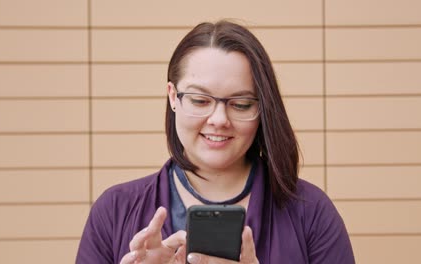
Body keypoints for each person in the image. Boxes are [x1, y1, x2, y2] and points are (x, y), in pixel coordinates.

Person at [76, 20, 355, 264]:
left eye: (242, 104)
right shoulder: (114, 211)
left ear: (263, 109)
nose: (219, 119)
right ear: (173, 97)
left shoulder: (311, 212)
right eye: (200, 100)